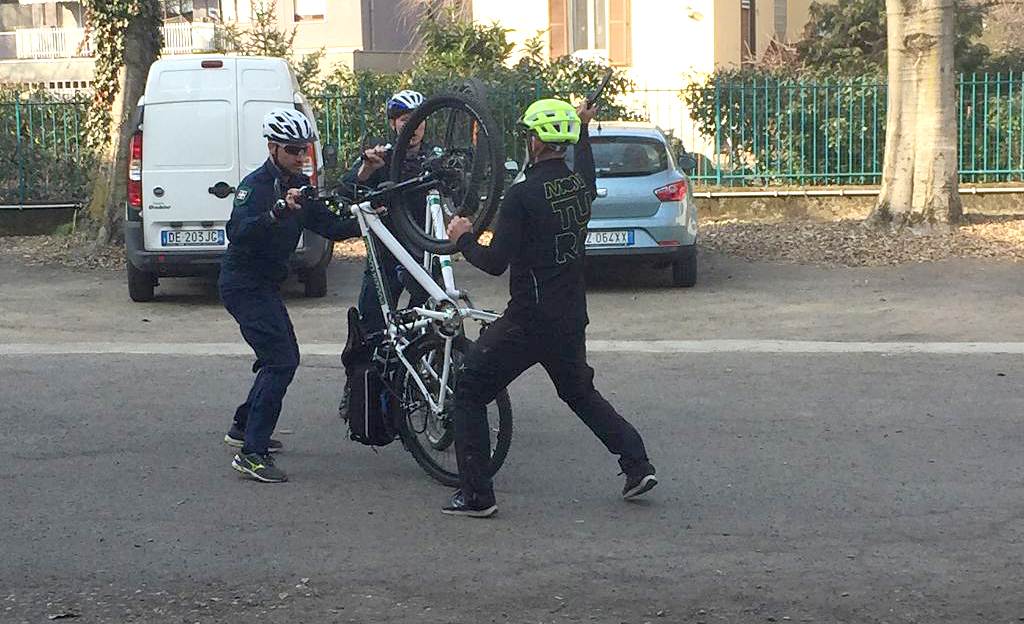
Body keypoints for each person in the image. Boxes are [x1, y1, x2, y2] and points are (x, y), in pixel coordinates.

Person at [443, 98, 657, 517]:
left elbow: (494, 263)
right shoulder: (579, 187)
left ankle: (476, 496)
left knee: (468, 391)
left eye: (528, 134)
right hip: (570, 318)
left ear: (537, 141)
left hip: (528, 320)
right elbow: (587, 172)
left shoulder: (522, 195)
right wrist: (583, 131)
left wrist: (462, 239)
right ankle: (637, 464)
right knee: (579, 393)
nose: (527, 140)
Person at [220, 107, 361, 483]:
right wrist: (277, 213)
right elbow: (238, 231)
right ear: (272, 148)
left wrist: (368, 219)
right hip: (242, 284)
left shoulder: (299, 187)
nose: (301, 157)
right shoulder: (256, 187)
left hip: (265, 284)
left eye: (305, 150)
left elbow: (329, 226)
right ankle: (252, 454)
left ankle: (242, 426)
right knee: (281, 360)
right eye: (293, 150)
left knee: (279, 357)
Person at [340, 89, 430, 336]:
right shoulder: (382, 155)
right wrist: (367, 170)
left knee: (431, 319)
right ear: (393, 123)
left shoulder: (435, 158)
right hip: (386, 253)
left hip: (424, 252)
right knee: (372, 325)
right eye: (405, 120)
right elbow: (347, 189)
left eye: (418, 120)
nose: (413, 126)